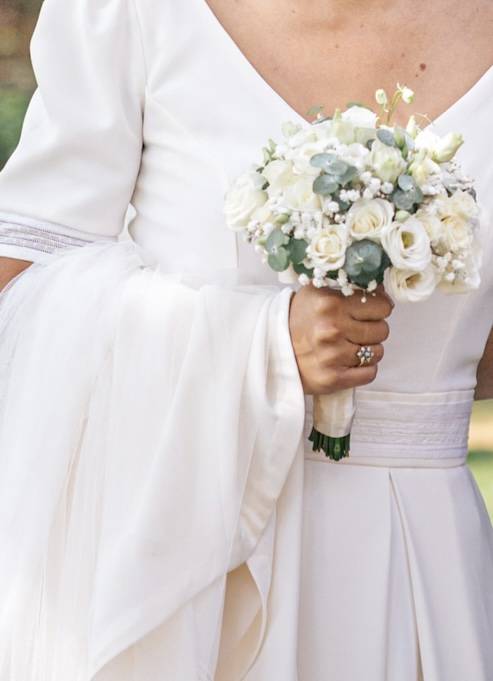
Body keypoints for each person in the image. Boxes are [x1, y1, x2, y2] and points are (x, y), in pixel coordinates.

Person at [0, 0, 492, 678]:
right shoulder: (126, 11)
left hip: (426, 560)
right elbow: (22, 294)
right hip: (193, 571)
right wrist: (260, 344)